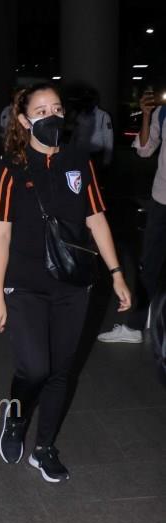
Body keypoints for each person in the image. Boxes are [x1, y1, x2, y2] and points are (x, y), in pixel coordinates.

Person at [0, 83, 131, 482]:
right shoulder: (11, 168)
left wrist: (117, 274)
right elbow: (0, 234)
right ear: (23, 120)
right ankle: (16, 418)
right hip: (24, 283)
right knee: (35, 368)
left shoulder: (79, 161)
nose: (51, 117)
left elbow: (96, 218)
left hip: (73, 281)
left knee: (60, 371)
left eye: (56, 109)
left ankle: (44, 447)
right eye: (40, 111)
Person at [98, 86, 166, 343]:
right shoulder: (162, 113)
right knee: (149, 264)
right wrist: (147, 115)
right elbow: (144, 149)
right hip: (162, 199)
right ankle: (135, 326)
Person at [70, 86, 114, 169]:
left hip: (96, 157)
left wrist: (107, 160)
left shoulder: (103, 116)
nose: (86, 102)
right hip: (80, 154)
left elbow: (108, 139)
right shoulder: (79, 115)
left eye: (89, 99)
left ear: (95, 101)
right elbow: (74, 134)